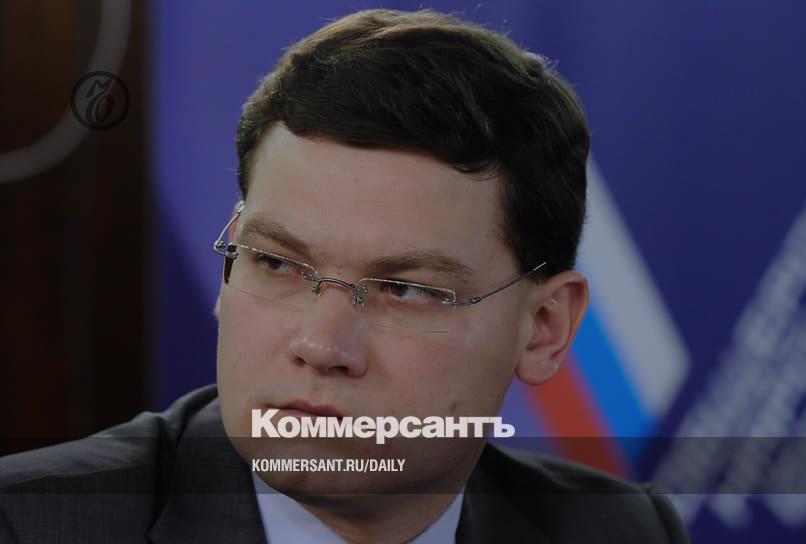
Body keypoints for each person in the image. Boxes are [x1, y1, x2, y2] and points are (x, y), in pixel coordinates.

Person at [0, 9, 690, 543]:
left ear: (543, 328)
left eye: (407, 289)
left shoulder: (621, 532)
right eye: (276, 262)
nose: (322, 345)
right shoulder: (29, 526)